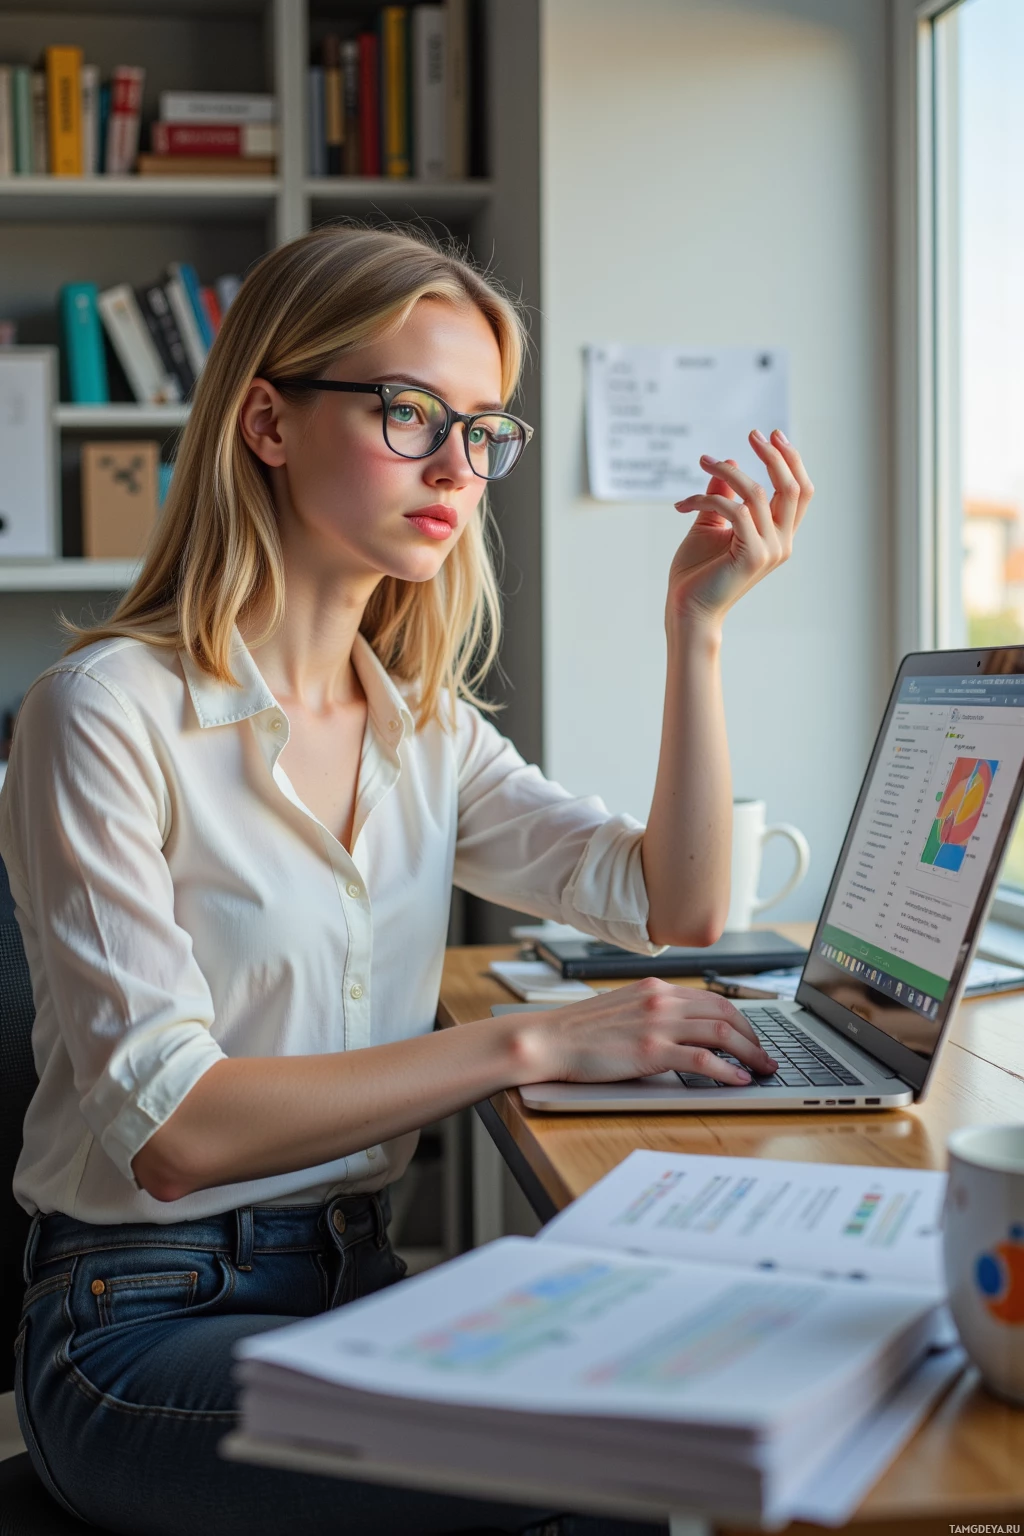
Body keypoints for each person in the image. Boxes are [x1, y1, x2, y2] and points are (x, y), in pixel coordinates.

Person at [0, 224, 813, 1536]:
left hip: (359, 1279)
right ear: (267, 420)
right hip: (136, 1332)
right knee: (614, 1476)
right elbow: (176, 1136)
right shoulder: (102, 714)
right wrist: (530, 1039)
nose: (457, 465)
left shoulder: (420, 725)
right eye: (408, 411)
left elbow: (676, 907)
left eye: (484, 429)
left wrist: (697, 632)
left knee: (703, 1406)